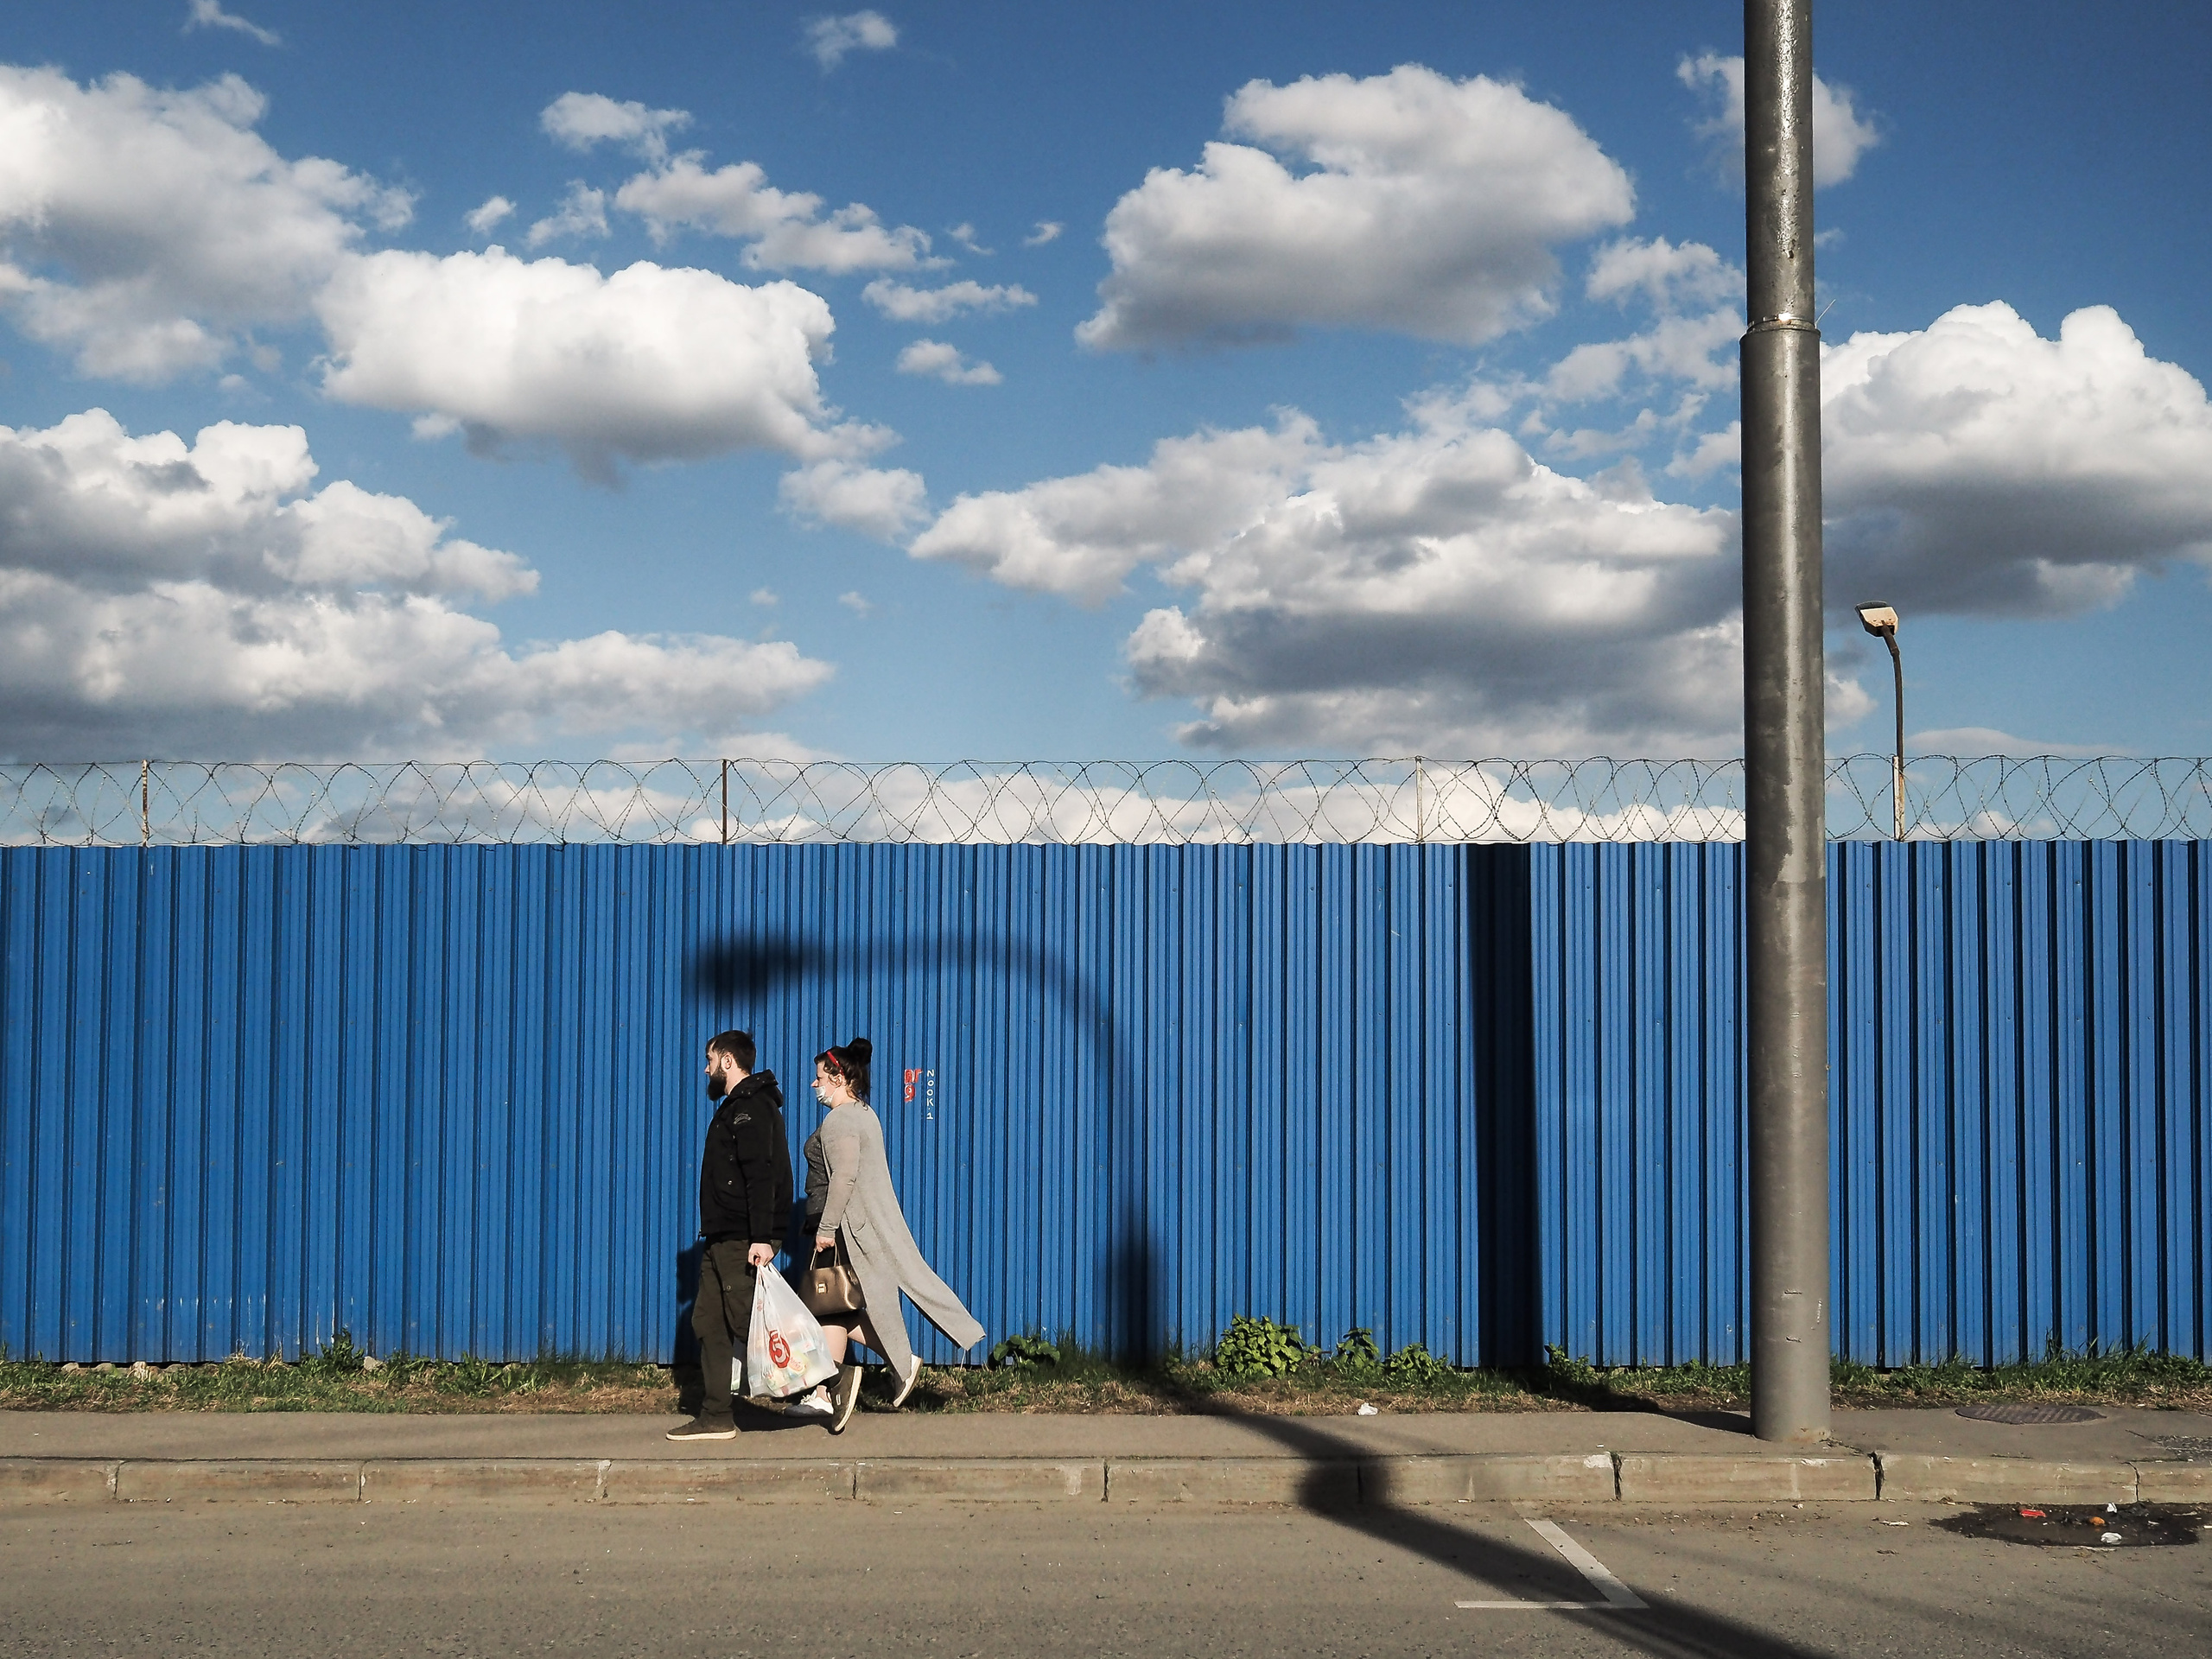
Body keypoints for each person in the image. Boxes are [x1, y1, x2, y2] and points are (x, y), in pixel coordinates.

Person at [794, 1036, 984, 1433]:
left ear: (839, 1076)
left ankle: (834, 1389)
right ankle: (831, 1390)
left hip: (843, 1229)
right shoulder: (865, 1114)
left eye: (819, 1078)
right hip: (852, 1226)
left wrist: (826, 1229)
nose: (814, 1085)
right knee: (838, 1309)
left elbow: (844, 1178)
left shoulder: (841, 1120)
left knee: (832, 1307)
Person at [667, 1029, 803, 1441]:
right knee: (708, 1320)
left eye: (710, 1060)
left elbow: (760, 1176)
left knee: (752, 1322)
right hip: (722, 1235)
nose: (706, 1068)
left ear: (728, 1061)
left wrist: (761, 1236)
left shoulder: (749, 1107)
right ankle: (716, 1415)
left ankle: (825, 1384)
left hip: (743, 1236)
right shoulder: (735, 1108)